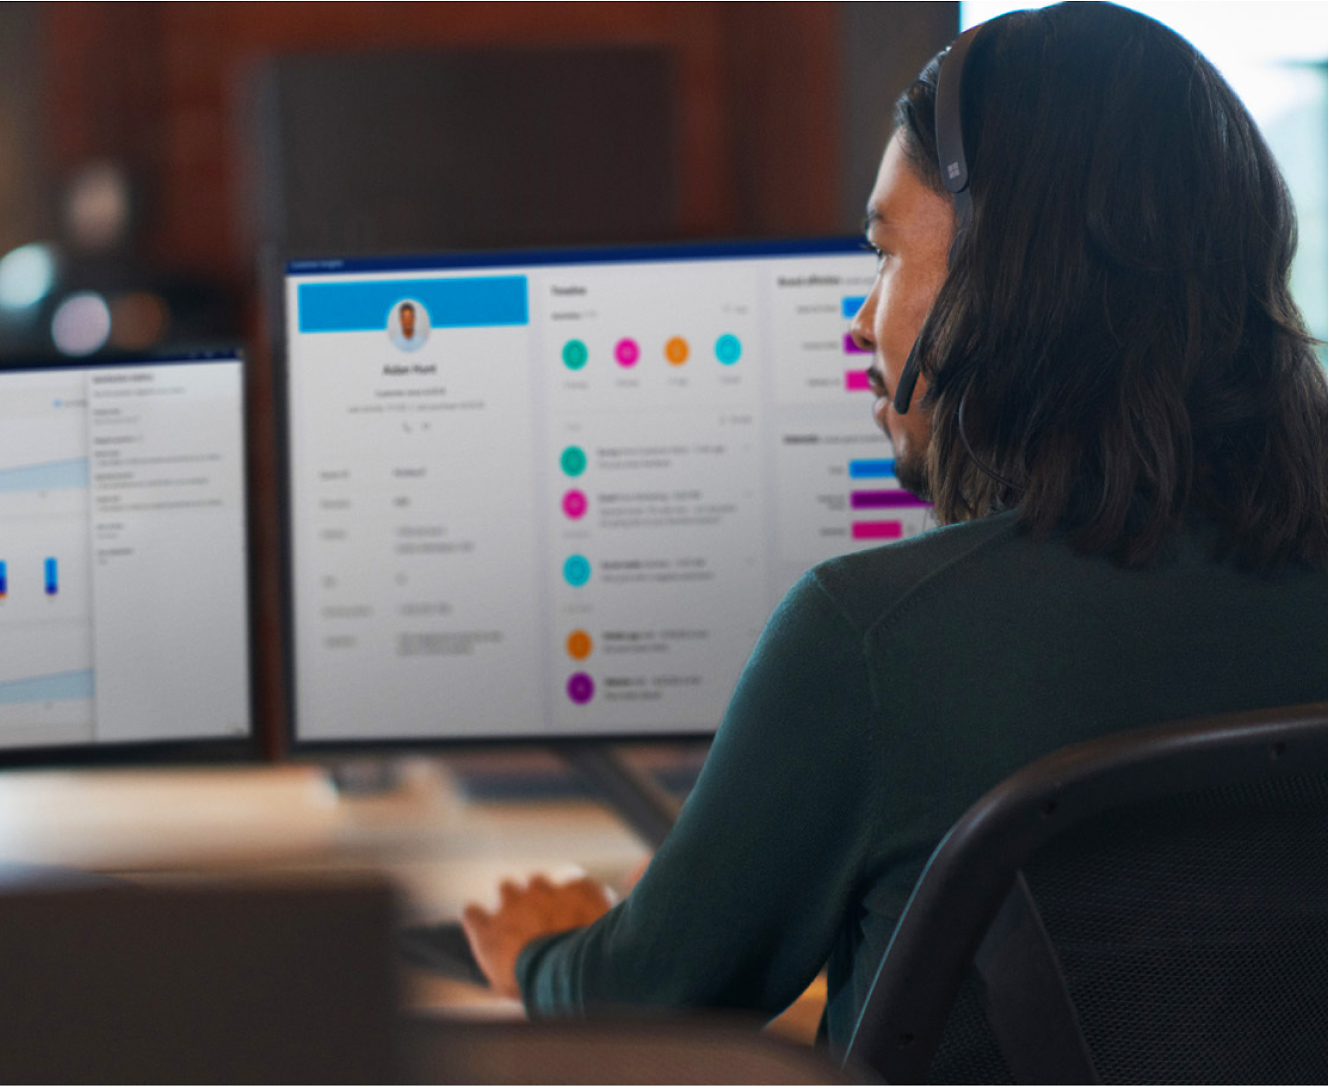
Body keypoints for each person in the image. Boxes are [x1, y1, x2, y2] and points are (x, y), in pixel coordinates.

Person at [462, 1, 1328, 1055]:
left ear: (998, 286)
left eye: (884, 255)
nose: (862, 322)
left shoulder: (871, 643)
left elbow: (650, 1002)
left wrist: (545, 952)